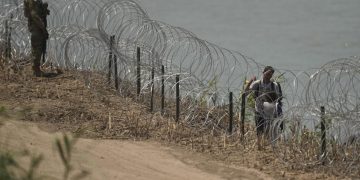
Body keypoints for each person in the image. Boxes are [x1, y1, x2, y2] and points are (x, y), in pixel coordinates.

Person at [244, 66, 283, 150]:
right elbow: (246, 93)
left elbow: (278, 98)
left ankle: (270, 146)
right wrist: (250, 81)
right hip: (259, 110)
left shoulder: (274, 85)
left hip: (270, 110)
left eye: (270, 74)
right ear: (263, 72)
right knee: (259, 129)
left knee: (270, 130)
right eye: (267, 73)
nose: (268, 76)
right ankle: (259, 147)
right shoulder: (257, 83)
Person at [24, 0, 49, 77]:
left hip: (38, 28)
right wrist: (43, 28)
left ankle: (36, 69)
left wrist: (44, 10)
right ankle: (36, 70)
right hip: (37, 28)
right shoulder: (33, 1)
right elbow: (34, 15)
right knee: (37, 49)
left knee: (39, 48)